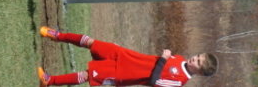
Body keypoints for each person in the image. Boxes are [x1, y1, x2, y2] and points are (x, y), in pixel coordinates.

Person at [36, 26, 218, 86]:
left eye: (198, 62)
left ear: (200, 72)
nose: (194, 58)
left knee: (87, 75)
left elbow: (154, 80)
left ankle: (49, 80)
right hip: (125, 56)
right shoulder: (180, 59)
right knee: (91, 42)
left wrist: (163, 59)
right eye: (198, 56)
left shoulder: (178, 82)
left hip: (123, 73)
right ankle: (57, 35)